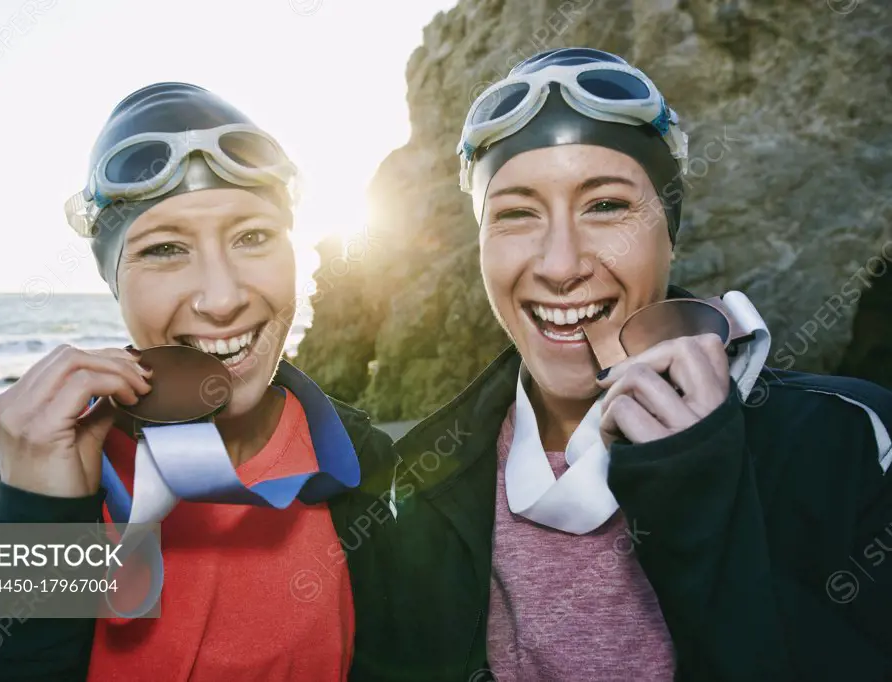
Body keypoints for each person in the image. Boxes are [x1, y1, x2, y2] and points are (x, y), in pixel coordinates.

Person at [351, 48, 892, 682]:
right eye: (517, 213)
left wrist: (703, 516)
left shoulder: (853, 443)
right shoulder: (415, 482)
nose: (560, 264)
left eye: (606, 206)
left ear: (670, 229)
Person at [0, 82, 397, 682]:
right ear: (115, 280)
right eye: (164, 249)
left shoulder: (361, 461)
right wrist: (41, 520)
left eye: (253, 237)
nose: (222, 298)